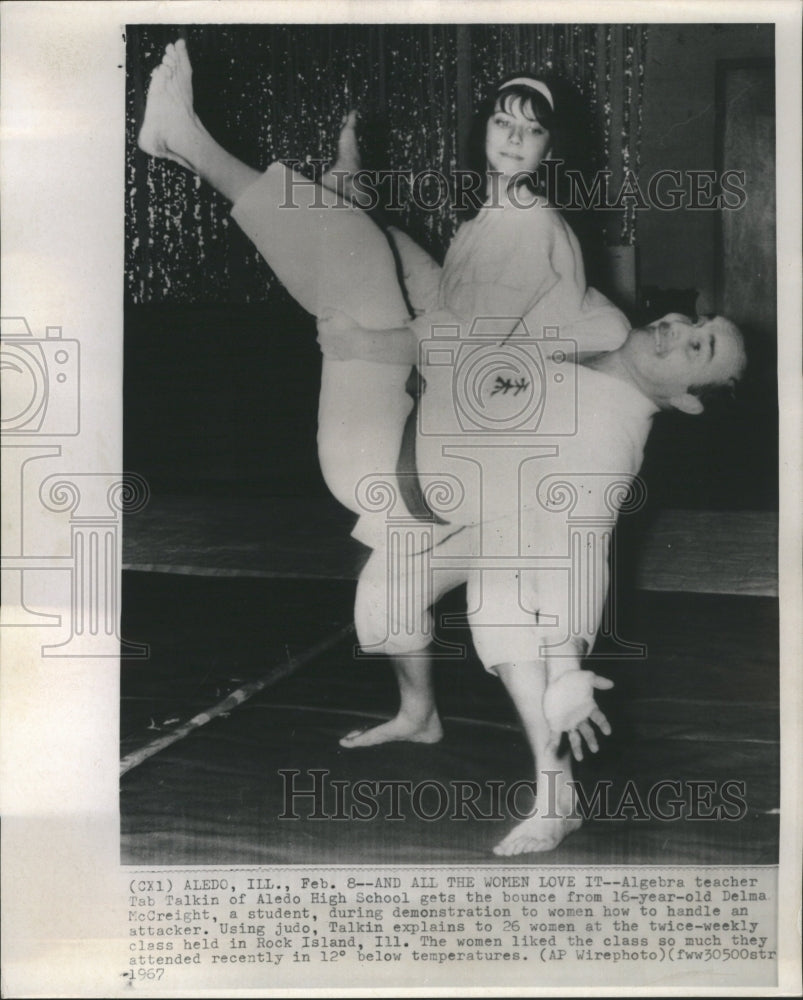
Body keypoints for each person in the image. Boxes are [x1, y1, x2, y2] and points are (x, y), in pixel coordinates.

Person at [137, 40, 630, 531]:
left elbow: (460, 343)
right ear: (484, 129)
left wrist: (363, 343)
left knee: (358, 251)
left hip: (407, 459)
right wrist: (369, 218)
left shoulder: (530, 223)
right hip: (406, 444)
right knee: (357, 243)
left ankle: (191, 142)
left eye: (533, 129)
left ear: (550, 147)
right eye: (504, 122)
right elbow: (444, 301)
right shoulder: (490, 221)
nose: (516, 137)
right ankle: (198, 147)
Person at [321, 311, 747, 854]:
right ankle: (417, 716)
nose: (677, 328)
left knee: (502, 602)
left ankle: (558, 797)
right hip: (474, 498)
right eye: (694, 321)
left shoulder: (605, 439)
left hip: (523, 529)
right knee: (382, 605)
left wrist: (567, 671)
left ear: (687, 398)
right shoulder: (597, 320)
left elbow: (578, 549)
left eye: (698, 347)